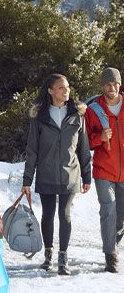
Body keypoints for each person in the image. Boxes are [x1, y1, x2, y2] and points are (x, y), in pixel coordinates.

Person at [23, 73, 91, 275]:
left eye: (67, 87)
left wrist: (87, 175)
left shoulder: (77, 116)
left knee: (65, 214)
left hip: (70, 174)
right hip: (46, 174)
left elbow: (83, 148)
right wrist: (27, 180)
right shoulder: (40, 117)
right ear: (51, 91)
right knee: (48, 214)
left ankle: (63, 257)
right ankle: (48, 254)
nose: (66, 90)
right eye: (61, 87)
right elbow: (32, 150)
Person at [85, 67, 124, 273]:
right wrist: (99, 138)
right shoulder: (93, 110)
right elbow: (84, 143)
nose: (112, 88)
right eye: (108, 84)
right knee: (108, 210)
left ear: (120, 84)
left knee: (121, 216)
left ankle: (112, 243)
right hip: (104, 170)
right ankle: (111, 255)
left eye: (115, 83)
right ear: (102, 86)